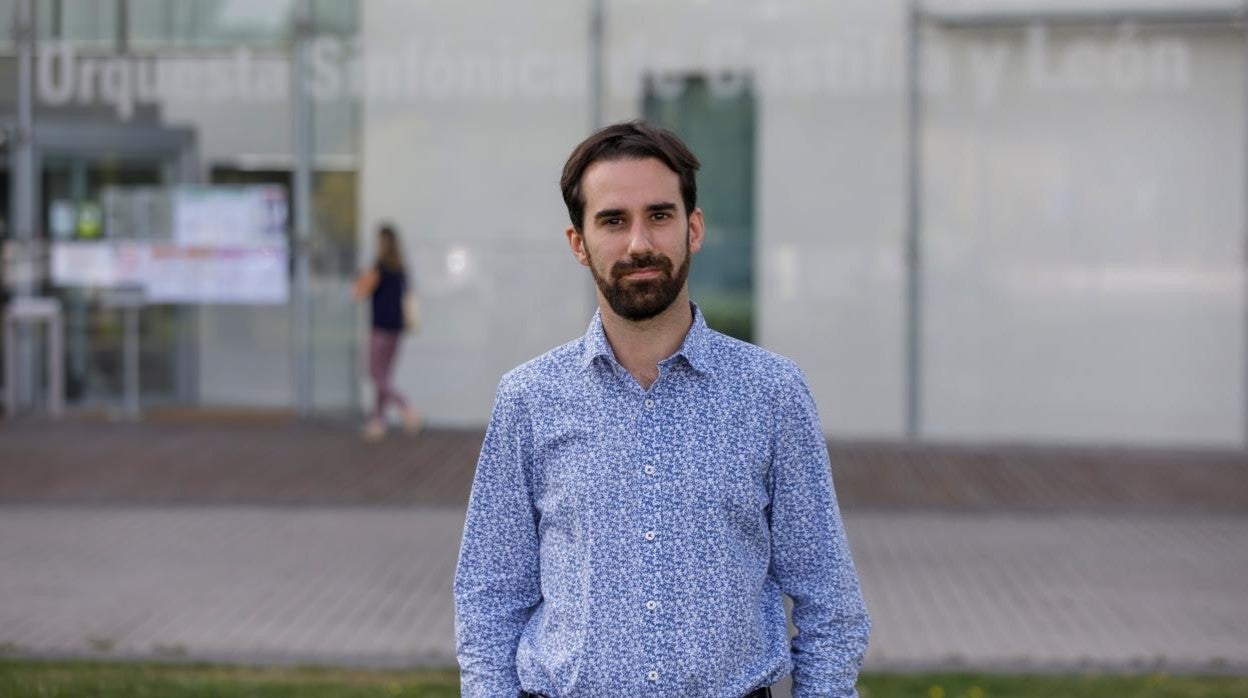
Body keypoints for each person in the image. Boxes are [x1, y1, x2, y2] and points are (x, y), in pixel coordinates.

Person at [454, 121, 870, 697]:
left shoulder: (771, 393)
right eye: (613, 220)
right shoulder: (529, 399)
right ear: (578, 243)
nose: (639, 244)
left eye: (659, 215)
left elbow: (830, 603)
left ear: (693, 228)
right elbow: (489, 600)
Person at [353, 223, 422, 441]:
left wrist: (361, 278)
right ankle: (377, 422)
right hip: (396, 331)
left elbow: (359, 292)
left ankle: (406, 407)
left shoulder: (379, 267)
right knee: (383, 376)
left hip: (380, 329)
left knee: (375, 374)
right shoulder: (401, 269)